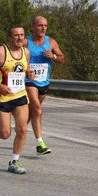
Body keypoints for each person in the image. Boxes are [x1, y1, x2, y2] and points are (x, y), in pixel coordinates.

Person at [0, 24, 35, 174]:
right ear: (10, 38)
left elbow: (25, 68)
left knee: (22, 129)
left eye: (22, 35)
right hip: (2, 96)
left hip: (20, 95)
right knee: (5, 133)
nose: (19, 38)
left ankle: (14, 161)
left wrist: (29, 74)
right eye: (16, 35)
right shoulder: (0, 52)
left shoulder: (26, 52)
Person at [24, 16, 65, 155]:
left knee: (32, 112)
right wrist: (26, 69)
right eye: (40, 25)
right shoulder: (25, 42)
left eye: (45, 26)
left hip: (44, 81)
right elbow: (14, 57)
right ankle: (40, 143)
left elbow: (62, 59)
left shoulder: (51, 42)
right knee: (37, 108)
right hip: (29, 81)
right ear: (32, 27)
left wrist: (52, 57)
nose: (43, 28)